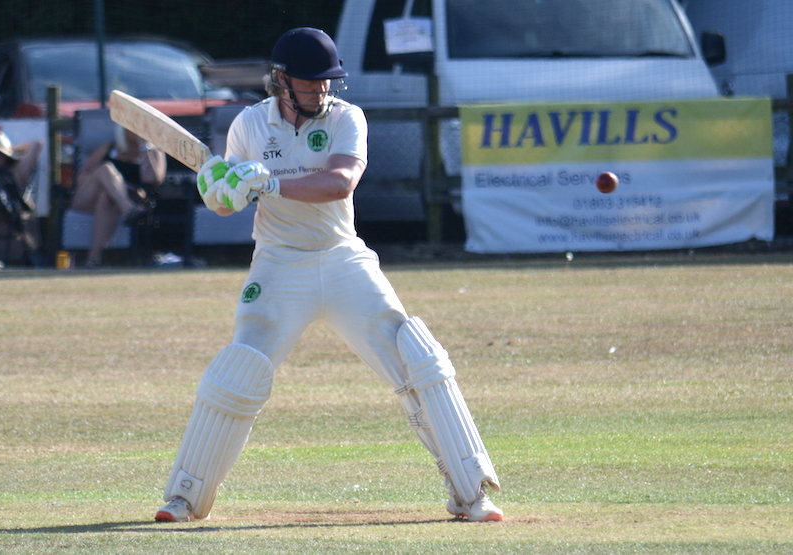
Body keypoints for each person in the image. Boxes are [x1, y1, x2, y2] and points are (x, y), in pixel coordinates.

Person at [155, 28, 503, 523]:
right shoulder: (250, 124)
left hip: (342, 258)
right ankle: (185, 496)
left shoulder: (346, 118)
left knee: (414, 359)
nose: (320, 91)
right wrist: (220, 192)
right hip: (277, 262)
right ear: (281, 80)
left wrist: (271, 181)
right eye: (309, 82)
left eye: (326, 82)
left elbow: (341, 181)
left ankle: (472, 493)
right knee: (240, 367)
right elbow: (227, 198)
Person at [69, 126, 166, 268]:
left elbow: (153, 180)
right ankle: (129, 209)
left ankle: (93, 259)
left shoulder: (155, 152)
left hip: (116, 202)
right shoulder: (108, 148)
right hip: (88, 199)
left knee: (106, 198)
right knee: (106, 169)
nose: (136, 131)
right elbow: (82, 178)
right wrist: (112, 184)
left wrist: (145, 147)